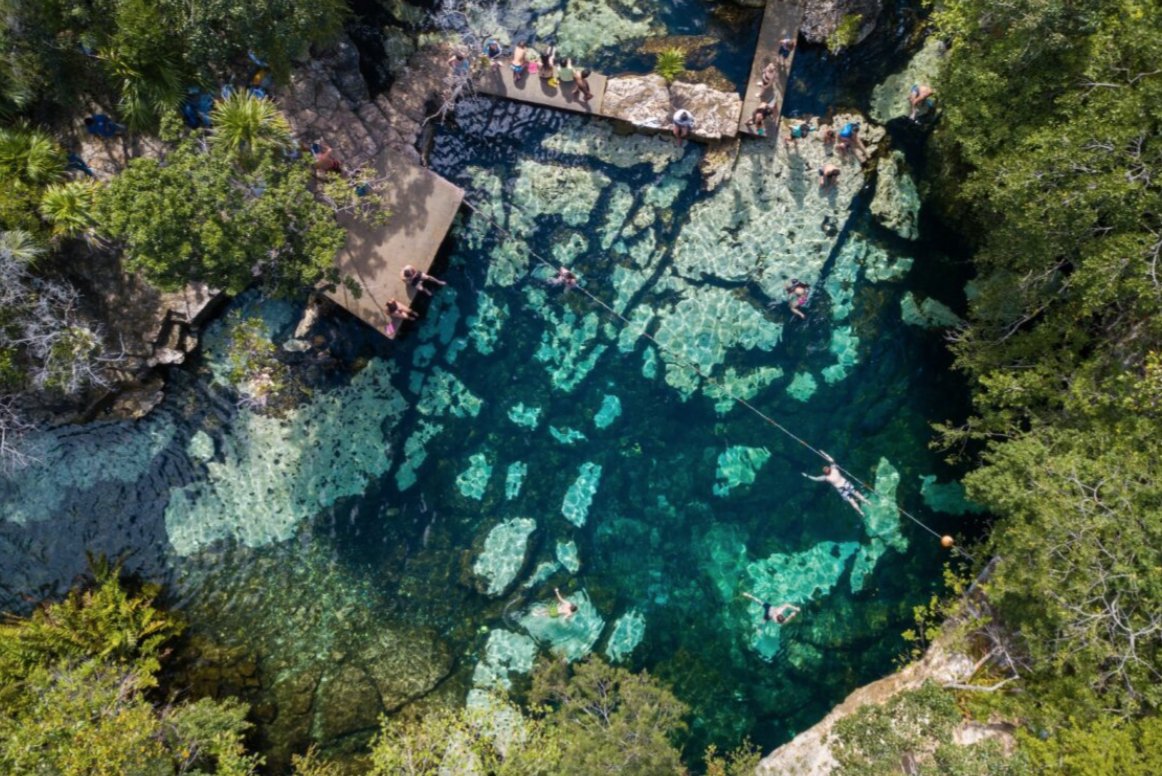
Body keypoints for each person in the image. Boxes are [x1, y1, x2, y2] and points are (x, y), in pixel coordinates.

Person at [802, 452, 871, 515]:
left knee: (852, 501)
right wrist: (824, 454)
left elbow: (816, 479)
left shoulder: (826, 477)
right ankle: (867, 502)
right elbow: (831, 460)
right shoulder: (833, 468)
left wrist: (807, 476)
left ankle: (861, 512)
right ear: (828, 469)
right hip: (846, 484)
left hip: (841, 489)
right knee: (856, 494)